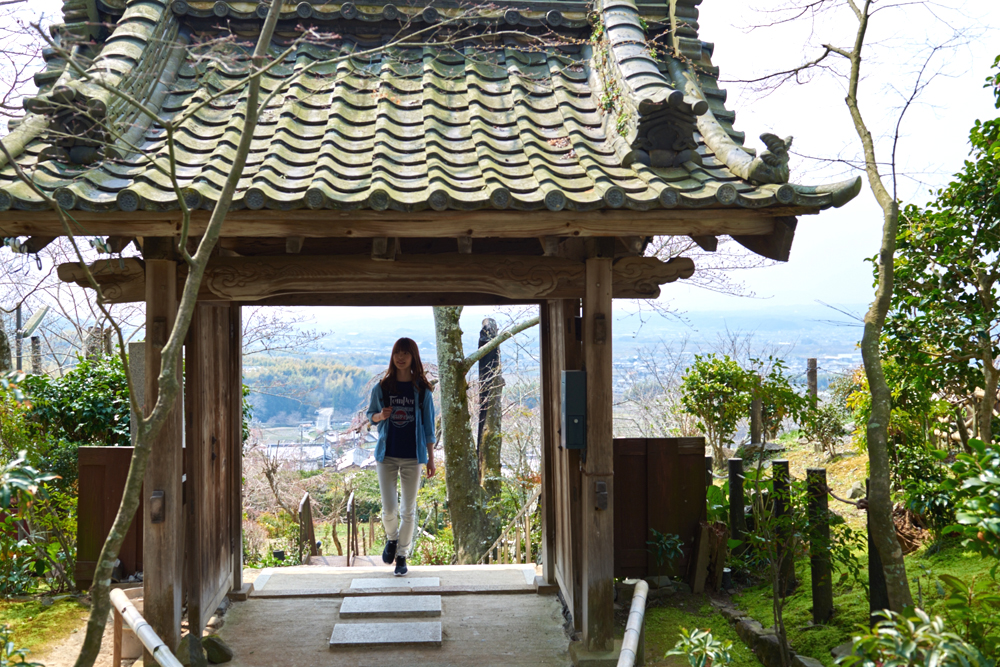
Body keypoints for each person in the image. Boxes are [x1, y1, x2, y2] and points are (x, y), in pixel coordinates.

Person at [366, 337, 436, 576]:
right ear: (393, 356)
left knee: (408, 509)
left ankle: (402, 556)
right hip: (387, 456)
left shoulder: (422, 390)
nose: (401, 357)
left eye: (406, 353)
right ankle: (392, 539)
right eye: (398, 352)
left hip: (412, 457)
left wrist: (431, 458)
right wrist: (380, 416)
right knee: (389, 510)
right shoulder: (382, 388)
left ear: (413, 356)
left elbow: (429, 428)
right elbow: (370, 415)